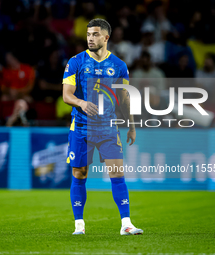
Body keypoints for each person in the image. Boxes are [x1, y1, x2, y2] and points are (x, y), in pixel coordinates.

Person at [62, 18, 143, 235]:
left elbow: (124, 98)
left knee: (117, 174)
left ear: (106, 37)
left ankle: (126, 224)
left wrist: (132, 126)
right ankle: (79, 225)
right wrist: (81, 102)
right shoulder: (76, 62)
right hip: (80, 128)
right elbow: (66, 95)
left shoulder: (119, 66)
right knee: (79, 174)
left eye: (95, 34)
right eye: (88, 34)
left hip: (108, 128)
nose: (90, 38)